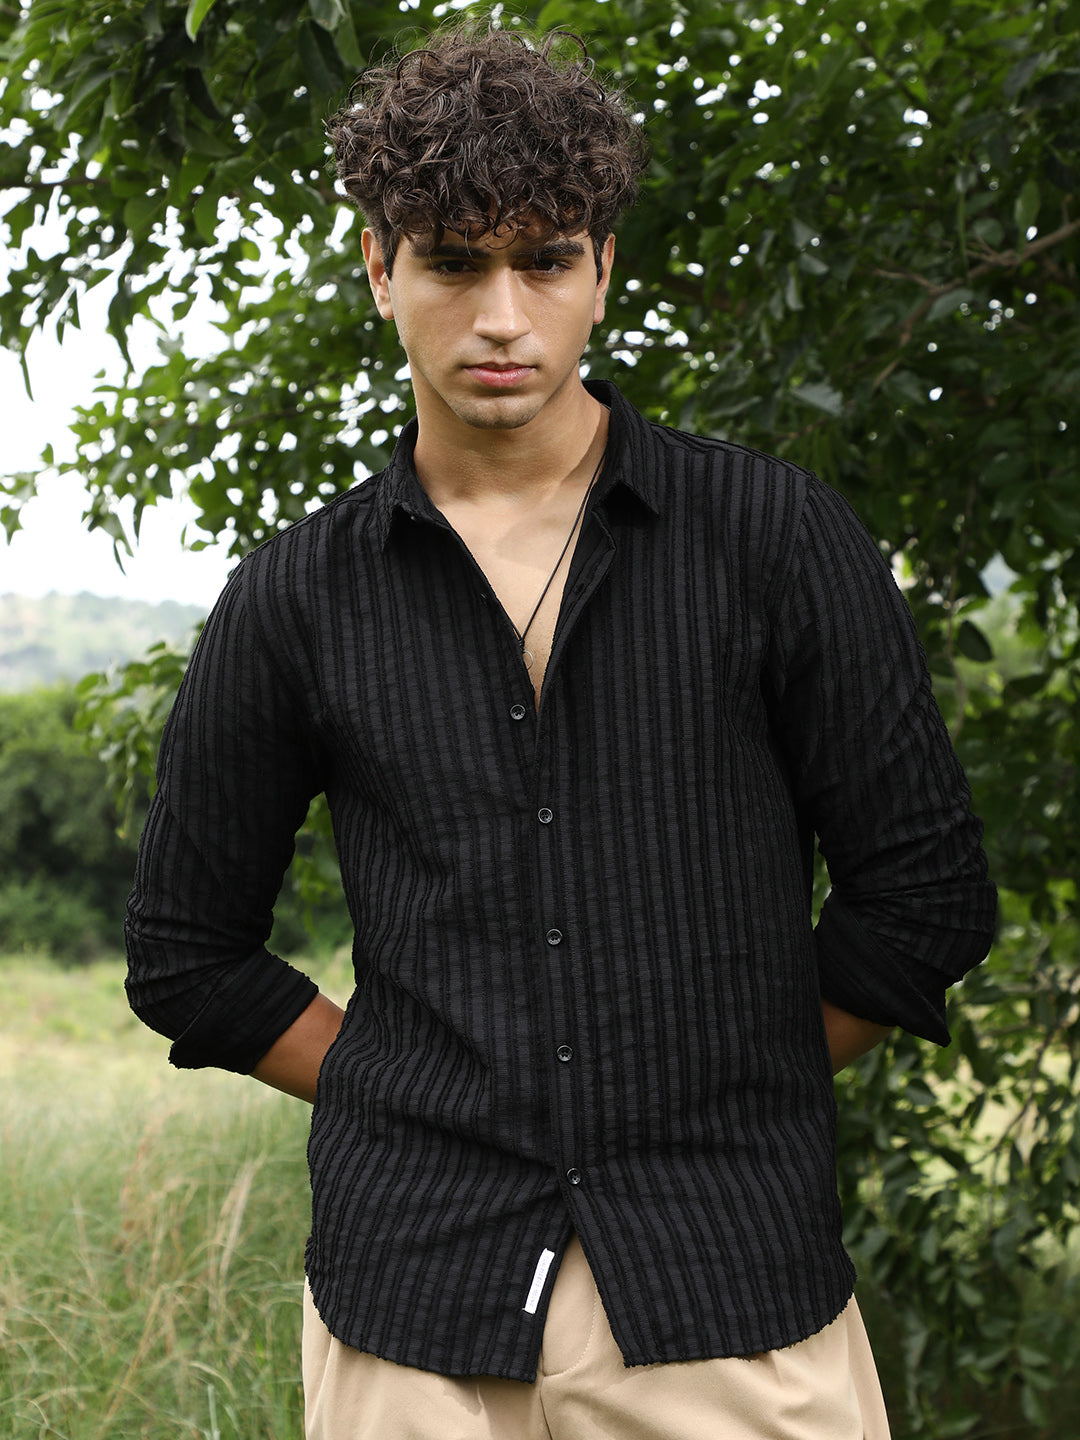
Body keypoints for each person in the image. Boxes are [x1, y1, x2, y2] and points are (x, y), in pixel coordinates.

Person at [125, 25, 996, 1440]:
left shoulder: (772, 539)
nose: (502, 317)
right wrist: (410, 1092)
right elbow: (186, 955)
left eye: (543, 260)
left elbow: (927, 903)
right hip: (415, 1320)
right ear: (380, 270)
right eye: (453, 263)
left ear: (602, 269)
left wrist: (724, 1075)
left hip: (727, 1300)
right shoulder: (297, 594)